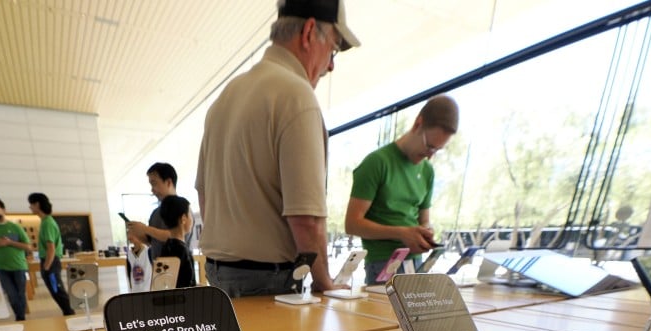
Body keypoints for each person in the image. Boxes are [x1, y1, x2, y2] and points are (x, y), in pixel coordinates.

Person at [195, 0, 359, 297]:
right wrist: (326, 283)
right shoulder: (296, 95)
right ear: (309, 32)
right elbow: (306, 220)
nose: (331, 65)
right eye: (333, 50)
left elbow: (205, 194)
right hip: (267, 282)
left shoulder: (227, 95)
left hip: (218, 274)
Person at [345, 95, 459, 284]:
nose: (430, 156)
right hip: (383, 263)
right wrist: (401, 233)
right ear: (418, 124)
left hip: (416, 263)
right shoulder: (377, 163)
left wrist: (426, 233)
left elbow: (424, 221)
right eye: (429, 146)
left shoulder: (427, 171)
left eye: (437, 150)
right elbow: (352, 224)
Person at [28, 191, 75, 316]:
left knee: (57, 290)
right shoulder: (46, 222)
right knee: (56, 291)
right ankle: (68, 312)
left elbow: (51, 248)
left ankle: (69, 313)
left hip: (51, 262)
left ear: (37, 204)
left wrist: (47, 266)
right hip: (50, 261)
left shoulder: (47, 223)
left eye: (31, 204)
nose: (30, 207)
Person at [125, 162, 179, 260]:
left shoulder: (182, 207)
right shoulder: (155, 213)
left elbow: (176, 237)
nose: (152, 190)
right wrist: (138, 233)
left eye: (154, 183)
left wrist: (145, 229)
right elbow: (152, 241)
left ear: (168, 182)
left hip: (180, 269)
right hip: (158, 270)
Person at [156, 195, 197, 288]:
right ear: (183, 219)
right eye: (190, 214)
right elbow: (188, 284)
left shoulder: (166, 247)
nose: (192, 219)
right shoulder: (182, 251)